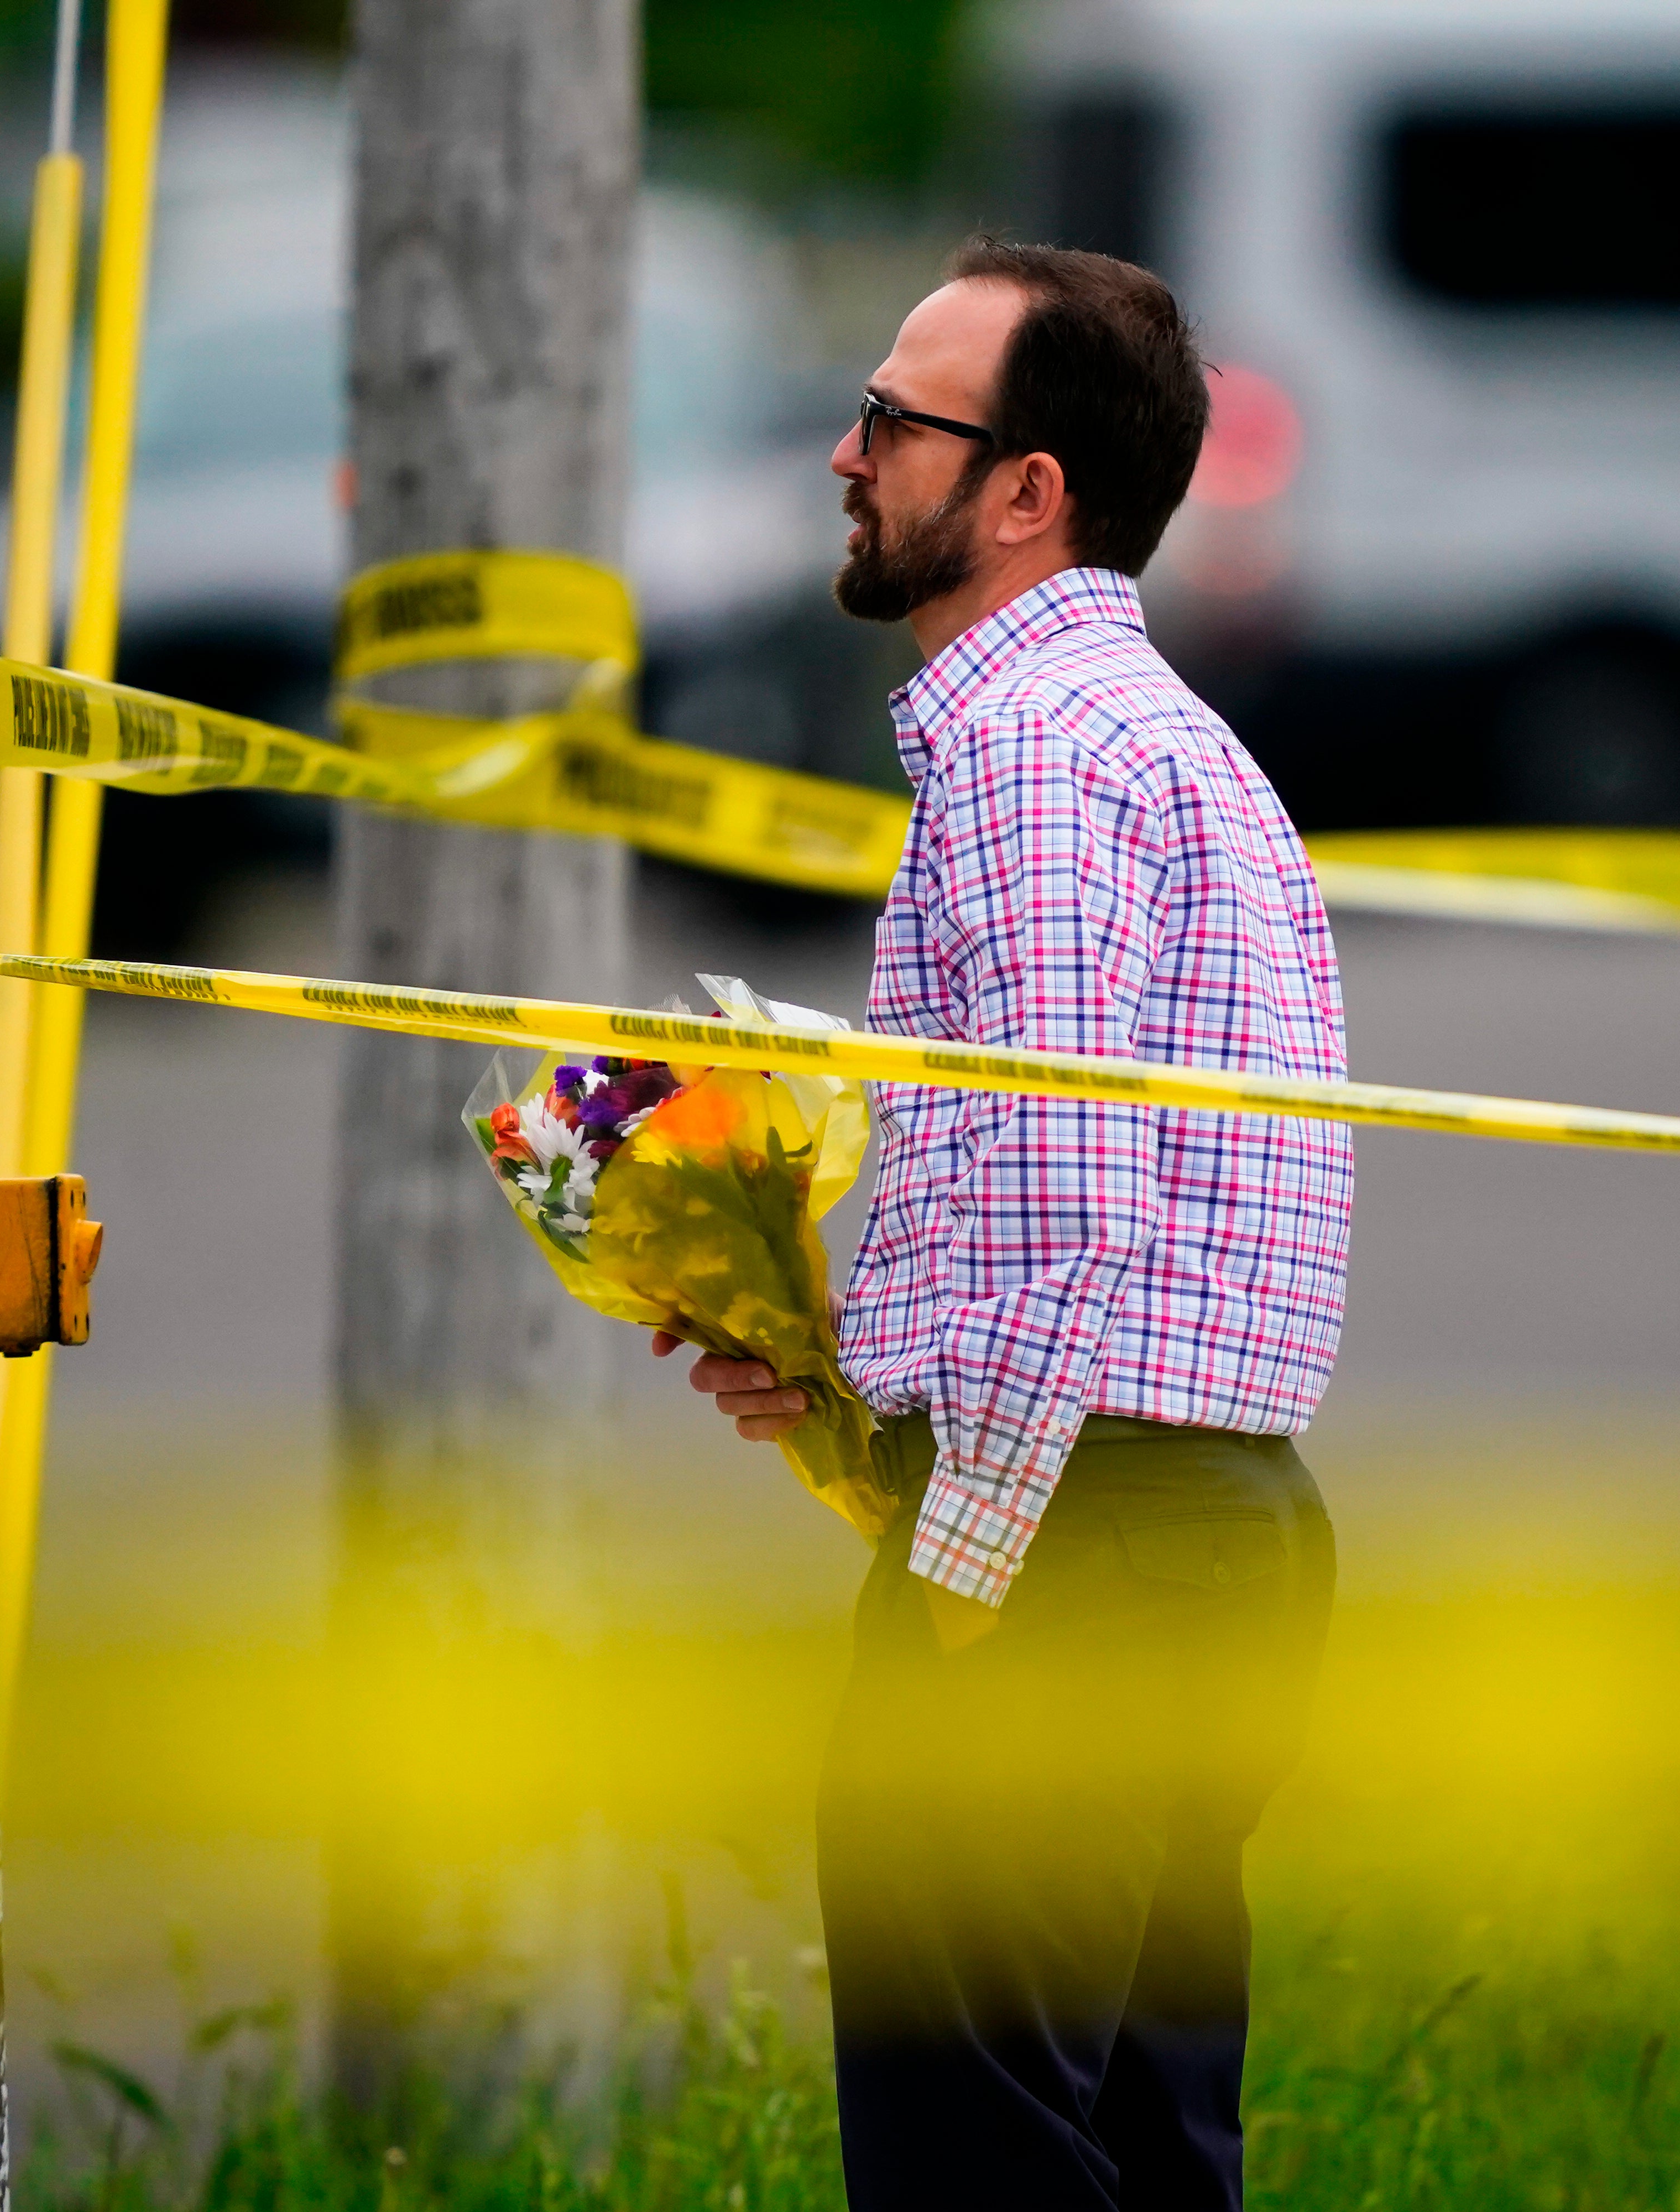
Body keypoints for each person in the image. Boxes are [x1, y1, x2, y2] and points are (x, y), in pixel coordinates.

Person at [655, 238, 1355, 2210]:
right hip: (1193, 1526)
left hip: (1075, 1549)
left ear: (1028, 488)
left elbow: (1071, 1204)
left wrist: (956, 1576)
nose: (844, 454)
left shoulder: (1038, 758)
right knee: (1139, 2152)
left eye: (893, 419)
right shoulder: (1150, 741)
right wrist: (836, 1375)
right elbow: (1067, 1196)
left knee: (979, 2160)